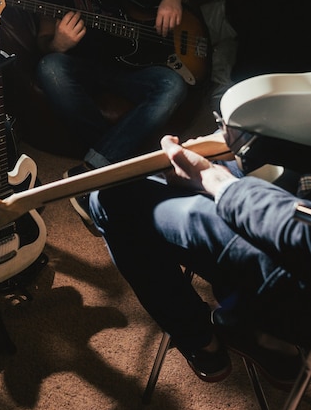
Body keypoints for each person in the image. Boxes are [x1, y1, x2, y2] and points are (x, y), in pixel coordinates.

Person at [88, 132, 311, 388]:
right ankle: (263, 334)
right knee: (228, 155)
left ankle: (203, 342)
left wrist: (217, 183)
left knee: (110, 199)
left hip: (297, 262)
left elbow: (301, 234)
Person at [35, 0, 190, 224]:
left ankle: (91, 170)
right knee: (50, 68)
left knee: (174, 85)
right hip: (83, 65)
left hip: (136, 68)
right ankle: (115, 165)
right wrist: (58, 44)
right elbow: (44, 40)